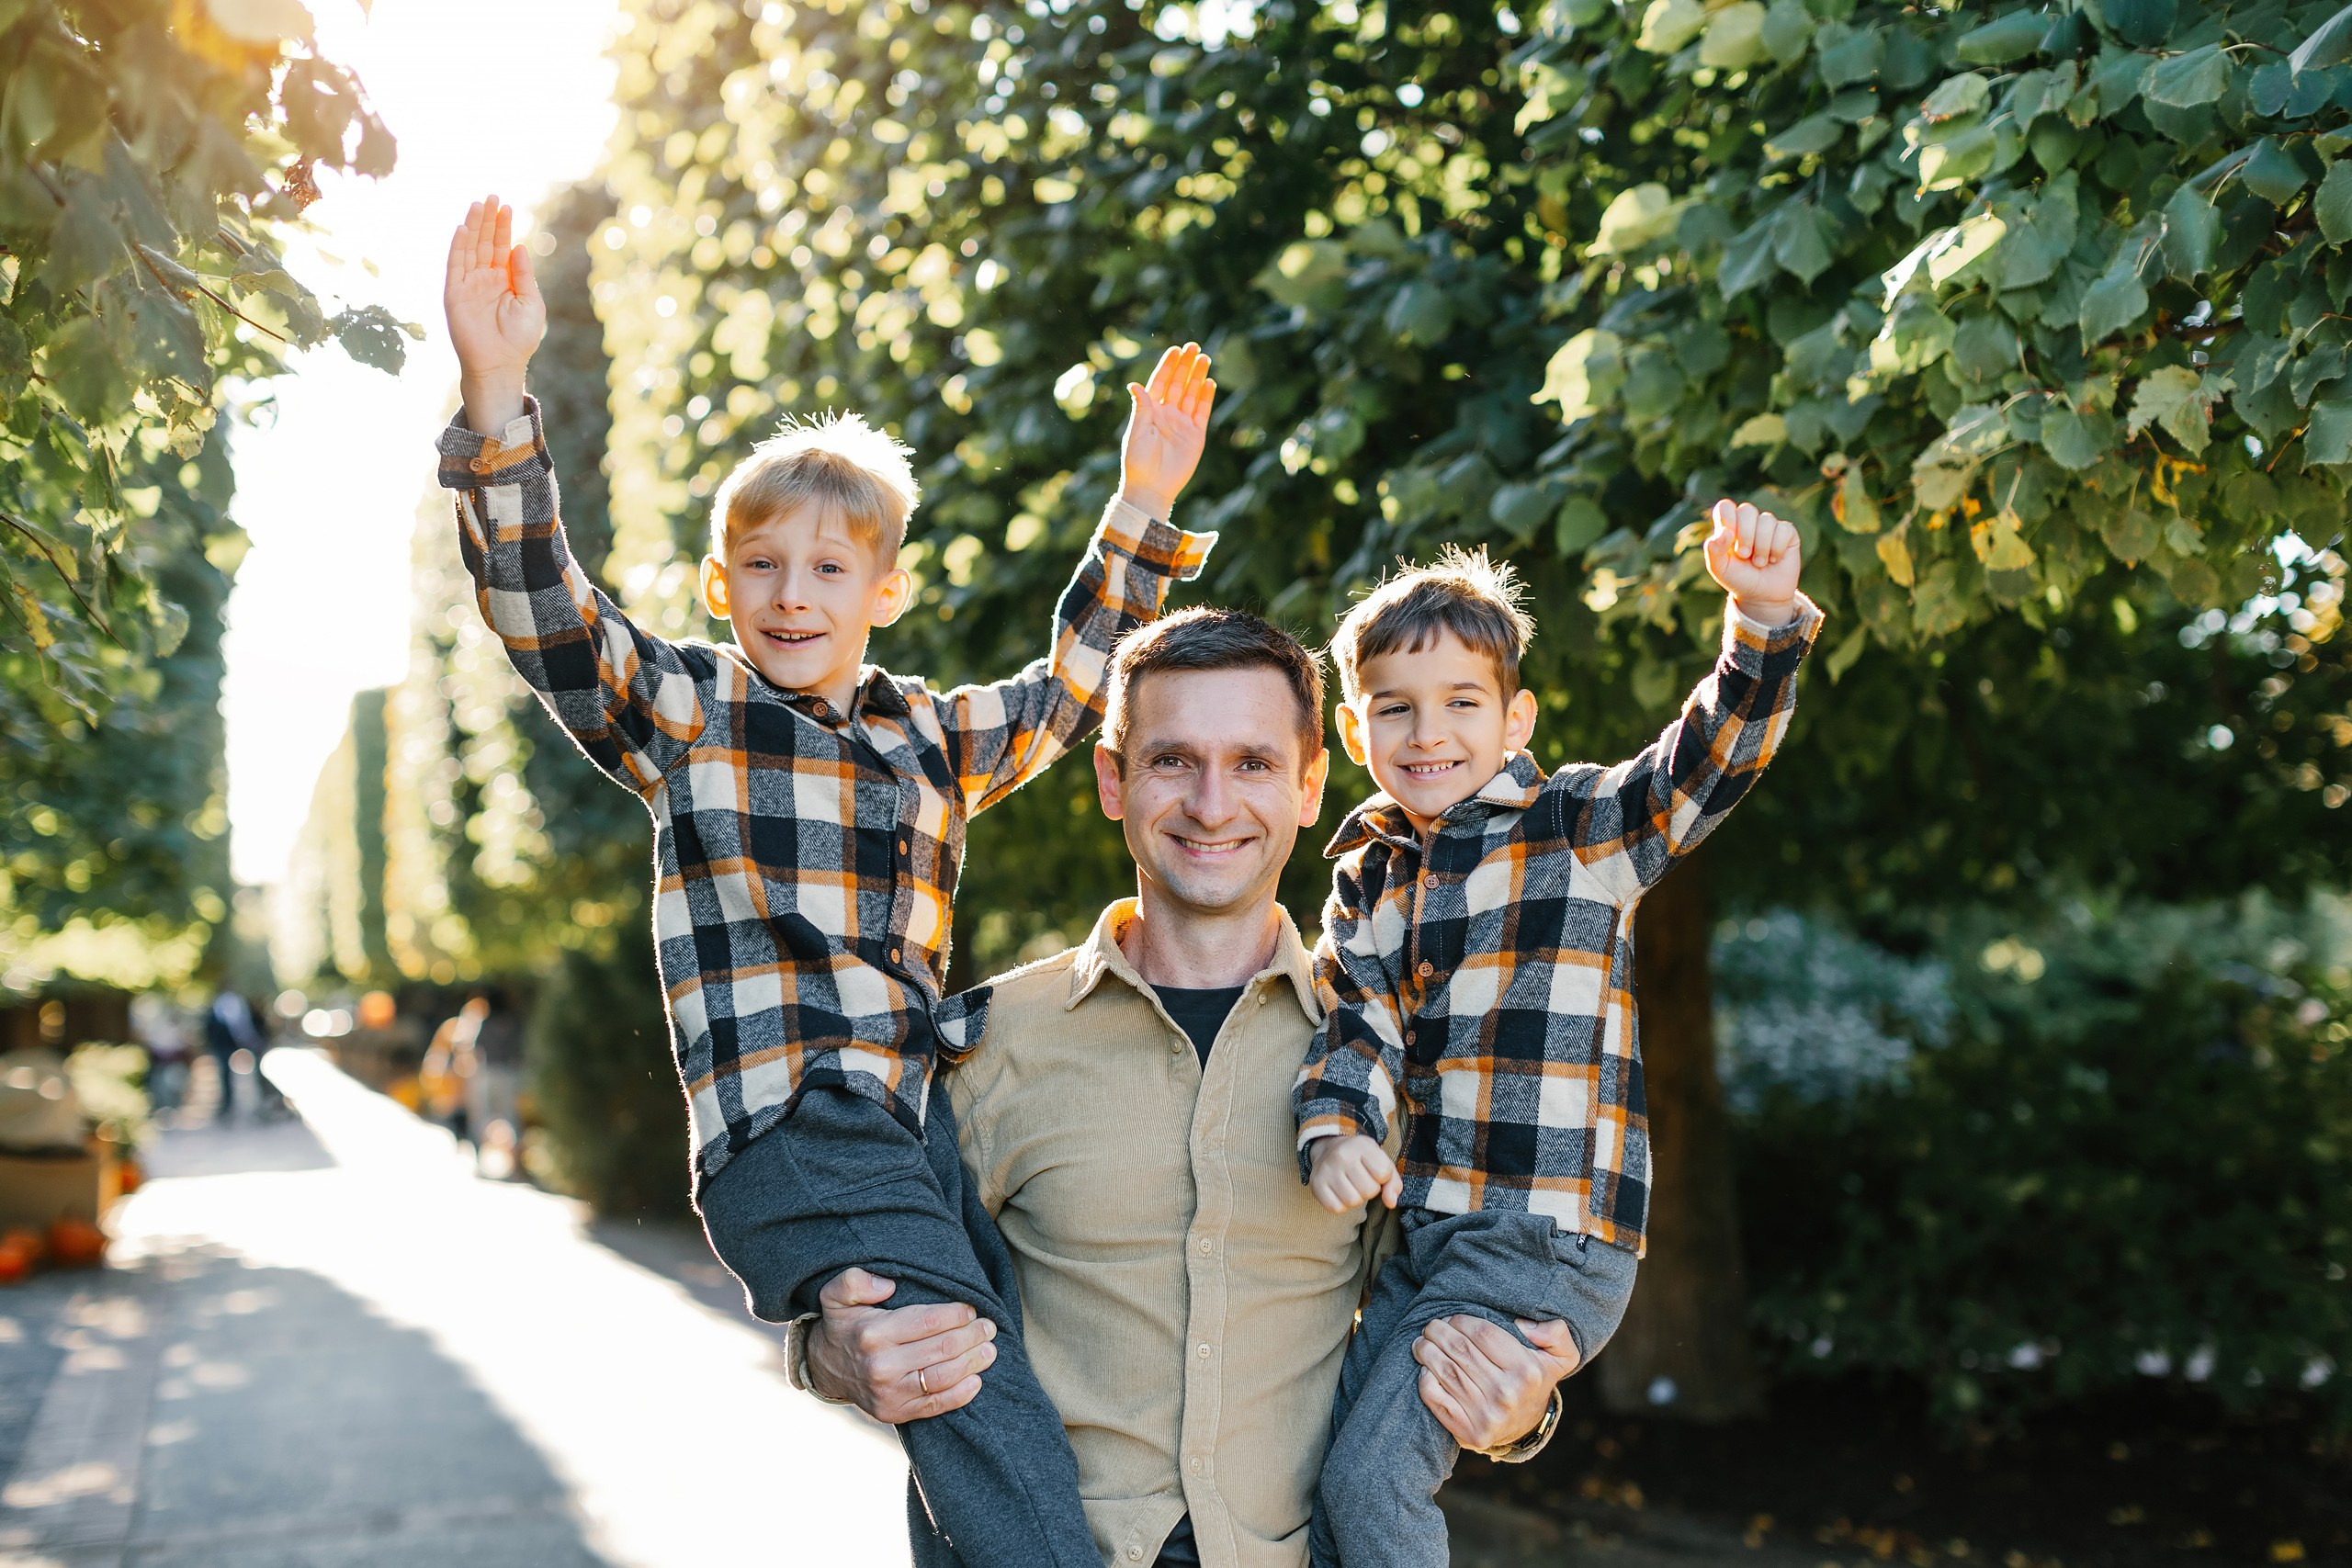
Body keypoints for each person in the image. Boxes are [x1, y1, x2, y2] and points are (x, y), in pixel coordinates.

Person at [437, 194, 1217, 1568]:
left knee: (987, 1365)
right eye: (761, 567)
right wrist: (498, 389)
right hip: (793, 1126)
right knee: (969, 1380)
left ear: (886, 588)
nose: (791, 595)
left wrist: (1141, 505)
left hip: (915, 1122)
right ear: (720, 582)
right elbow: (546, 613)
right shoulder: (689, 712)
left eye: (827, 567)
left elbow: (1073, 686)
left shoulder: (929, 735)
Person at [800, 610, 1578, 1568]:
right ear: (1110, 782)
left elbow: (1445, 1300)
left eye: (1252, 762)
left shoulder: (1402, 1054)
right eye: (1172, 760)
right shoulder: (982, 1047)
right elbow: (892, 1284)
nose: (1212, 804)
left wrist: (1518, 1412)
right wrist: (825, 1357)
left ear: (1308, 788)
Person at [1293, 509, 1822, 1567]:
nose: (1425, 733)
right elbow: (1356, 1026)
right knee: (1320, 1478)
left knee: (1370, 1484)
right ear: (1354, 733)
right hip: (1426, 1239)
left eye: (1459, 704)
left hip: (1540, 1239)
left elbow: (1704, 765)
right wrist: (1333, 1131)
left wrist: (1759, 618)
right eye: (1392, 709)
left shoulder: (1578, 827)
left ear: (1514, 718)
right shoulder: (1367, 878)